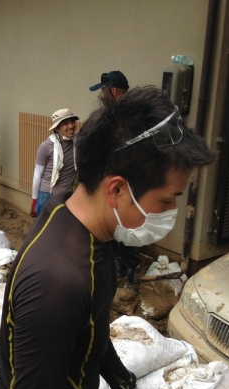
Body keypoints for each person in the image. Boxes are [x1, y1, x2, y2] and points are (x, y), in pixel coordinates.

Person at [0, 87, 215, 389]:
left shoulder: (85, 220)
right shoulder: (56, 282)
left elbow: (86, 330)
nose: (171, 214)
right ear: (117, 190)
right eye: (167, 200)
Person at [91, 70, 141, 285]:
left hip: (129, 178)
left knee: (127, 225)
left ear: (112, 90)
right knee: (116, 225)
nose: (102, 96)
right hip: (115, 176)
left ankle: (131, 273)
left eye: (103, 91)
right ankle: (119, 267)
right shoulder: (119, 112)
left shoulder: (131, 114)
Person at [30, 109, 79, 218]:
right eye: (65, 123)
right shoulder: (46, 146)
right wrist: (34, 199)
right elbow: (37, 174)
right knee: (44, 231)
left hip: (67, 197)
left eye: (72, 121)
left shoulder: (78, 141)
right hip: (47, 196)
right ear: (57, 128)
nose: (71, 126)